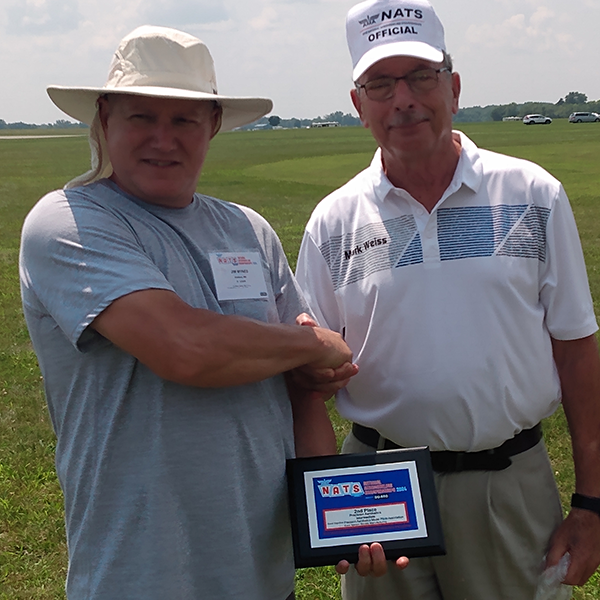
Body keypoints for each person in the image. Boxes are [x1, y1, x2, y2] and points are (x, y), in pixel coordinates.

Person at [19, 25, 361, 600]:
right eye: (141, 117)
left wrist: (339, 522)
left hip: (261, 574)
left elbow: (303, 391)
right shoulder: (68, 223)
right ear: (104, 120)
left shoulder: (247, 229)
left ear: (213, 125)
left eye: (183, 119)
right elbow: (186, 349)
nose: (163, 138)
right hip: (139, 573)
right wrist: (311, 344)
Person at [295, 0, 600, 598]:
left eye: (421, 78)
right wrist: (327, 511)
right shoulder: (332, 221)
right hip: (378, 489)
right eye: (380, 84)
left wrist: (592, 501)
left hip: (506, 482)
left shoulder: (533, 194)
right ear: (359, 106)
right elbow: (307, 380)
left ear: (454, 88)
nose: (403, 99)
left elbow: (577, 349)